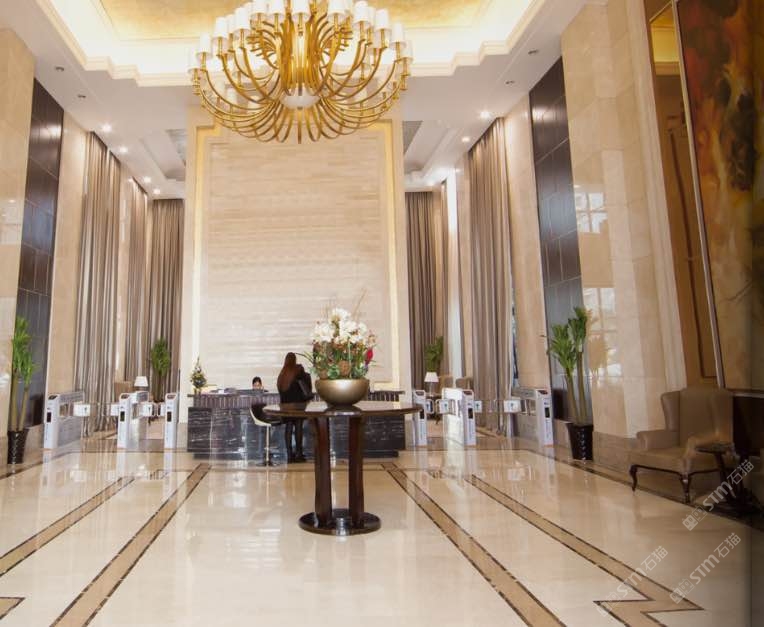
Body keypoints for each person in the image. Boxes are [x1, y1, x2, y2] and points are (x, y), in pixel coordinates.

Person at [277, 352, 312, 462]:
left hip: (285, 407)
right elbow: (305, 384)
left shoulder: (282, 374)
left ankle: (289, 454)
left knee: (288, 428)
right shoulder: (298, 370)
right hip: (298, 405)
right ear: (294, 360)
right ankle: (299, 453)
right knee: (298, 427)